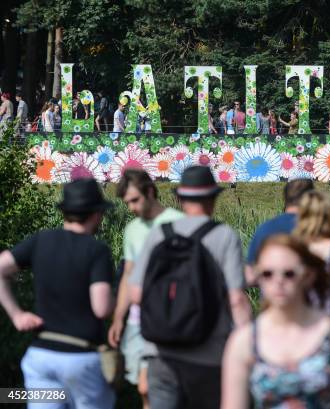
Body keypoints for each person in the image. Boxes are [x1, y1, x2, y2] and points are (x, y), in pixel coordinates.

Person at [128, 166, 251, 409]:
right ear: (213, 198)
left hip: (161, 352)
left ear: (181, 200)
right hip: (208, 354)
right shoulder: (224, 236)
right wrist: (250, 343)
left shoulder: (159, 234)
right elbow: (236, 299)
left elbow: (136, 293)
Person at [0, 178, 116, 408]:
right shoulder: (97, 251)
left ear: (65, 212)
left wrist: (16, 315)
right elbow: (101, 308)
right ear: (96, 214)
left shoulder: (40, 240)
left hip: (41, 357)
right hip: (81, 360)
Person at [221, 234, 330, 409]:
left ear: (308, 276)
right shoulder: (244, 341)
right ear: (257, 277)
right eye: (267, 274)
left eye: (289, 274)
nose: (278, 281)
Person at [108, 169, 184, 409]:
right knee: (143, 388)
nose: (131, 207)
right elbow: (128, 275)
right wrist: (119, 316)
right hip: (139, 319)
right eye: (127, 202)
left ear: (150, 192)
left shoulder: (178, 222)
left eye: (134, 200)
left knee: (156, 385)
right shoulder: (132, 230)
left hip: (172, 317)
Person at [246, 178, 314, 283]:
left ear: (285, 199)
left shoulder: (264, 228)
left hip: (272, 296)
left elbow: (250, 276)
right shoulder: (317, 229)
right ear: (311, 200)